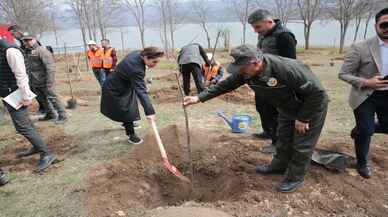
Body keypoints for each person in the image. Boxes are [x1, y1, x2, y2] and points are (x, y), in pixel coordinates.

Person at [184, 44, 328, 193]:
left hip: (310, 107)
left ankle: (295, 177)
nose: (239, 71)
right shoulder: (247, 72)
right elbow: (225, 85)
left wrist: (304, 118)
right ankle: (279, 165)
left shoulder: (286, 69)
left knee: (302, 144)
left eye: (242, 68)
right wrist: (198, 98)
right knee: (283, 137)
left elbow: (318, 94)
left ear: (256, 63)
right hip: (287, 107)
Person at [339, 8, 388, 179]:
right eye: (384, 24)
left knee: (380, 126)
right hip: (366, 95)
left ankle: (362, 127)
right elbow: (343, 73)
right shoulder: (360, 47)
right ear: (376, 26)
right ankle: (362, 162)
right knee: (366, 131)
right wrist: (367, 82)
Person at [0, 34, 56, 173]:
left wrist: (25, 96)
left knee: (22, 126)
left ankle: (46, 153)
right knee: (26, 124)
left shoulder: (10, 51)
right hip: (8, 94)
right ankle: (37, 147)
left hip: (16, 94)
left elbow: (21, 75)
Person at [247, 9, 297, 154]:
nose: (255, 31)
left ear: (269, 22)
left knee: (275, 113)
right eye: (254, 27)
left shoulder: (284, 36)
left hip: (277, 82)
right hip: (263, 79)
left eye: (258, 27)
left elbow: (290, 63)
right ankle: (268, 132)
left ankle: (277, 143)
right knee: (262, 107)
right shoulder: (263, 35)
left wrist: (284, 85)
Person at [101, 47, 164, 144]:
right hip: (114, 88)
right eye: (154, 62)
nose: (155, 65)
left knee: (130, 106)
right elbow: (142, 92)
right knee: (125, 109)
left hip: (124, 84)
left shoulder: (138, 53)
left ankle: (127, 123)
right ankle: (131, 135)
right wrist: (150, 112)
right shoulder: (136, 69)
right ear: (146, 57)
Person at [22, 34, 67, 124]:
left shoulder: (42, 51)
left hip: (45, 81)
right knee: (42, 100)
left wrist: (49, 82)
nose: (26, 42)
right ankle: (50, 114)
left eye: (29, 40)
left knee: (53, 98)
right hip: (35, 82)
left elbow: (50, 68)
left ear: (35, 40)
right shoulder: (27, 52)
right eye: (25, 40)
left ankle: (63, 116)